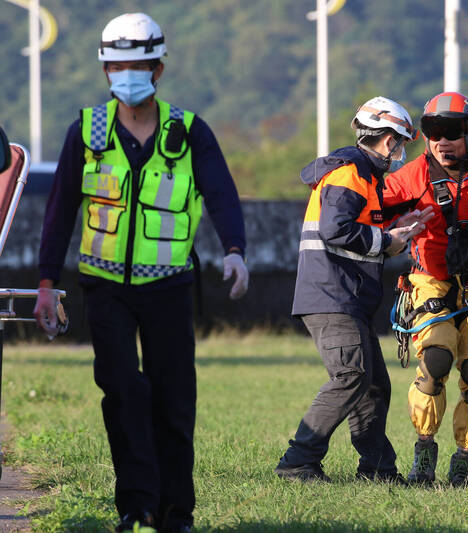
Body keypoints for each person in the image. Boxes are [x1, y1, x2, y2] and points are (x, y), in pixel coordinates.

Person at [33, 13, 249, 533]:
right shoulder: (86, 131)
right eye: (118, 65)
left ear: (159, 69)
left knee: (174, 399)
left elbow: (220, 192)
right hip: (103, 286)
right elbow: (60, 208)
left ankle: (176, 514)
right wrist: (44, 283)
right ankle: (136, 506)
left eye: (138, 65)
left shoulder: (188, 131)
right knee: (123, 392)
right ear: (106, 71)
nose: (127, 74)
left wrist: (235, 249)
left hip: (170, 286)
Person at [275, 96, 433, 483]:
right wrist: (388, 242)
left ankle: (377, 469)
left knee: (372, 384)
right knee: (351, 376)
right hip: (332, 295)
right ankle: (298, 462)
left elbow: (361, 222)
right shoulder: (350, 173)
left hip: (344, 296)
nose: (400, 152)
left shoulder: (362, 175)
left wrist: (400, 222)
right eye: (400, 142)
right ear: (386, 140)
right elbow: (336, 229)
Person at [383, 91, 468, 487]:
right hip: (431, 279)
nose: (441, 140)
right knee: (435, 362)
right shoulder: (410, 176)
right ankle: (423, 453)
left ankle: (463, 460)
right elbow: (365, 206)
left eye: (452, 131)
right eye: (433, 131)